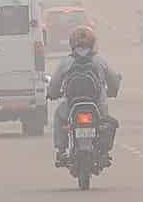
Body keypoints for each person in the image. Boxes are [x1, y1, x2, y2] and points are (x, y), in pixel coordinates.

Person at [48, 27, 121, 166]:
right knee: (105, 123)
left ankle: (61, 150)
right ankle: (104, 152)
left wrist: (52, 94)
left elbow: (55, 83)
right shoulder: (99, 61)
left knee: (59, 117)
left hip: (72, 106)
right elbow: (113, 80)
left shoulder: (66, 62)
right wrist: (112, 91)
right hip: (97, 105)